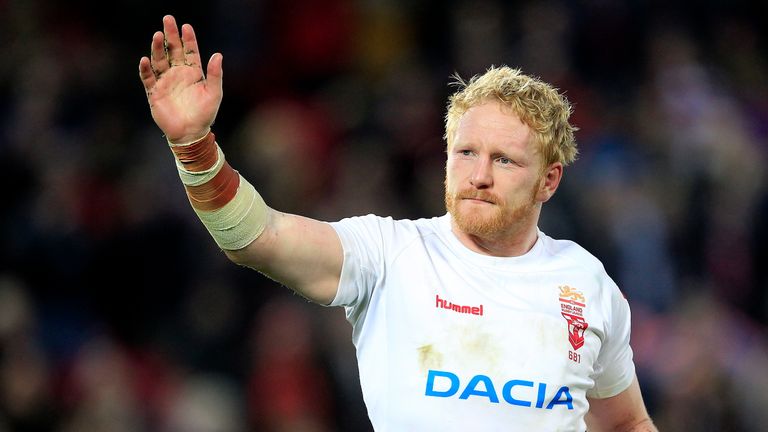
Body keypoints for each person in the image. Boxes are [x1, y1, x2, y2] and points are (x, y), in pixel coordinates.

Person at [139, 15, 657, 431]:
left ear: (549, 180)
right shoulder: (390, 253)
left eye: (504, 160)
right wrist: (194, 145)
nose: (477, 175)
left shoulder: (586, 283)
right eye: (465, 153)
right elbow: (257, 237)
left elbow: (625, 421)